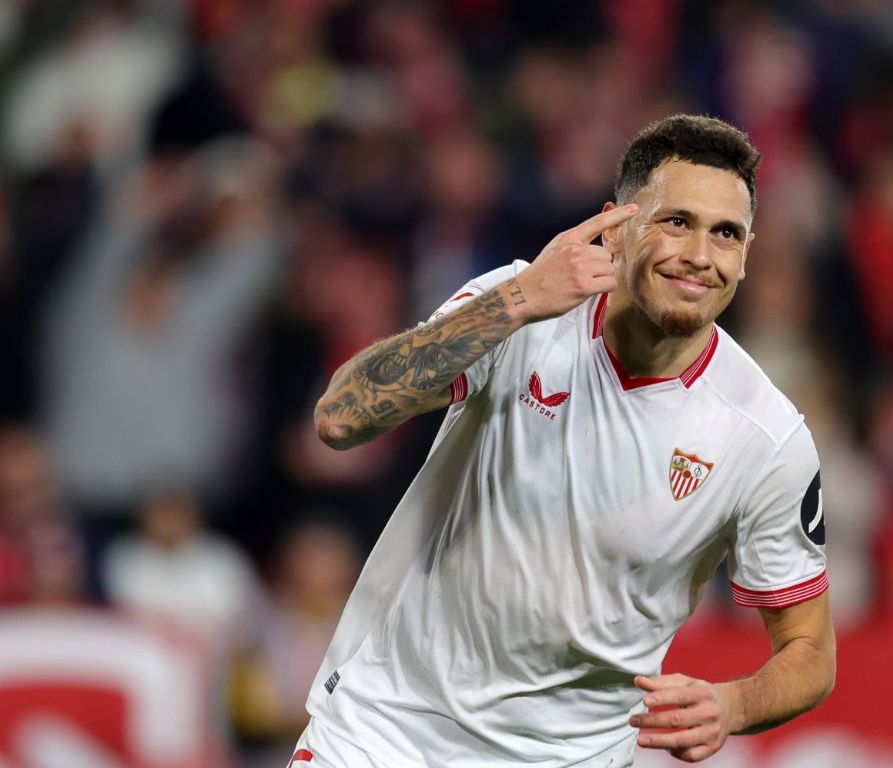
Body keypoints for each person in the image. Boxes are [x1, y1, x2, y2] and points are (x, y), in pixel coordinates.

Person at [295, 114, 835, 767]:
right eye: (676, 222)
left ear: (745, 257)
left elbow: (811, 650)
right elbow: (341, 417)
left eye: (726, 234)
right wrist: (517, 301)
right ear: (616, 229)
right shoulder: (519, 308)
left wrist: (736, 704)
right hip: (385, 731)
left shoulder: (765, 436)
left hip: (570, 758)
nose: (700, 254)